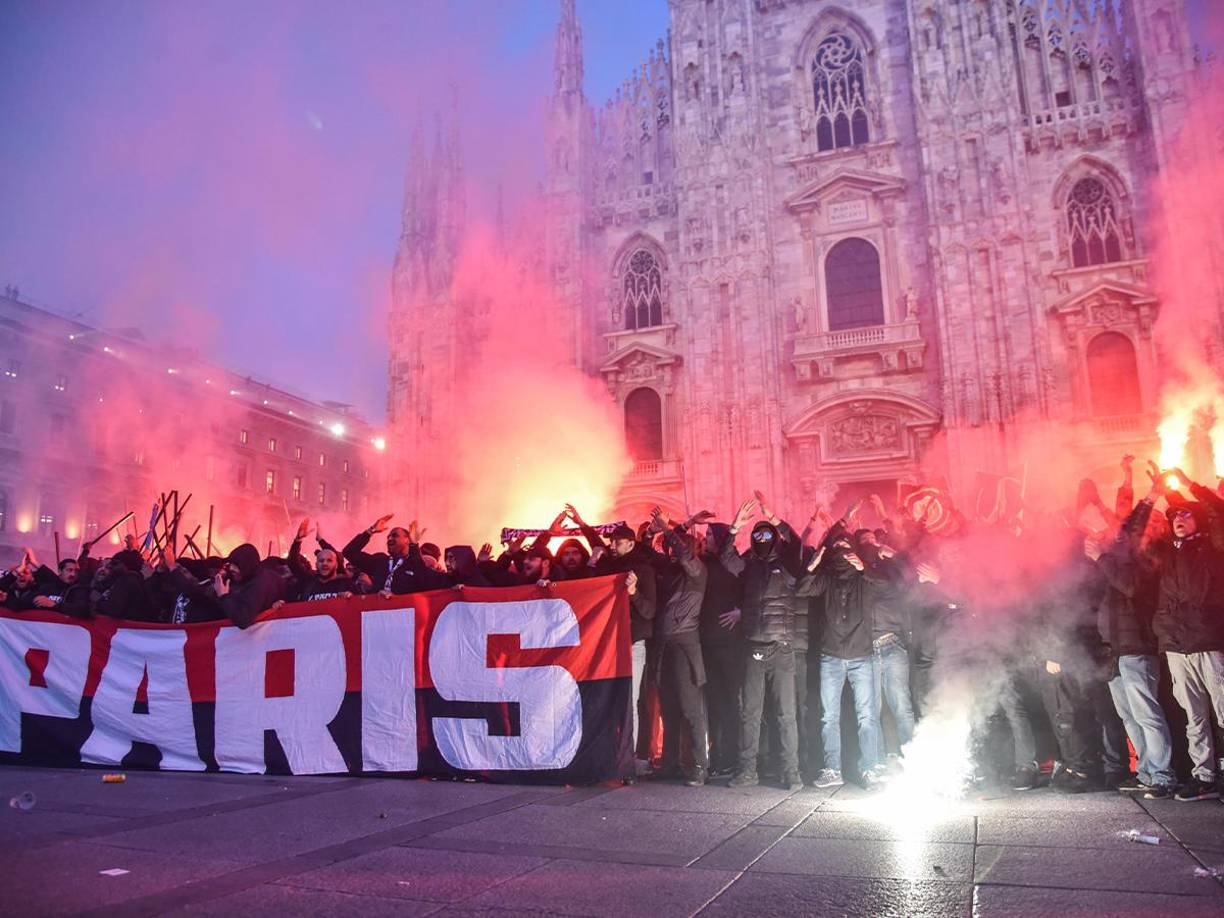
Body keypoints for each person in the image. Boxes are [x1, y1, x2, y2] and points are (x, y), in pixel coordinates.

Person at [1089, 464, 1178, 798]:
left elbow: (1129, 587)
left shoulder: (1140, 559)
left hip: (1137, 648)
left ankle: (1163, 775)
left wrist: (1153, 495)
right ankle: (1145, 771)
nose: (1114, 533)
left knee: (1147, 714)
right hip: (1114, 651)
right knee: (1130, 717)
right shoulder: (1112, 556)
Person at [719, 495, 810, 791]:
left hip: (782, 648)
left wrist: (774, 518)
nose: (761, 540)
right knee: (750, 713)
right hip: (753, 647)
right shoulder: (748, 565)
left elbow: (795, 543)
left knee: (786, 714)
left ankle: (791, 773)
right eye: (756, 535)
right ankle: (748, 771)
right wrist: (734, 528)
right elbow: (725, 558)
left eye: (766, 535)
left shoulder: (787, 564)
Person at [1150, 469, 1224, 802]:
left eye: (1185, 515)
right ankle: (1204, 776)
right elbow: (1130, 537)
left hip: (1208, 642)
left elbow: (1218, 510)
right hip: (1178, 647)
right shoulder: (1167, 551)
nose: (1178, 519)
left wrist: (1187, 482)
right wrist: (1158, 493)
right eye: (1175, 516)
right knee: (1194, 717)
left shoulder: (1213, 546)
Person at [807, 502, 886, 789]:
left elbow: (885, 585)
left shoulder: (865, 578)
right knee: (829, 718)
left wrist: (862, 566)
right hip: (831, 657)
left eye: (846, 548)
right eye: (837, 548)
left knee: (867, 716)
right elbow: (803, 589)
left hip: (862, 656)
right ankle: (832, 769)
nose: (843, 553)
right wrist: (814, 564)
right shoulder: (826, 579)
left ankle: (870, 768)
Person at [583, 510, 657, 778]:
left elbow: (650, 611)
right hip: (606, 644)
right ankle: (610, 754)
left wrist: (634, 594)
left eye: (616, 542)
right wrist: (591, 559)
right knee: (607, 700)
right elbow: (586, 590)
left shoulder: (644, 570)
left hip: (633, 643)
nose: (611, 545)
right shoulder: (606, 568)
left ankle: (628, 759)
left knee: (630, 700)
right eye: (610, 541)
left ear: (630, 543)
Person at [649, 508, 710, 786]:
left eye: (679, 546)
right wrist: (672, 527)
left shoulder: (698, 571)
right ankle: (670, 763)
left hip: (685, 645)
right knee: (669, 709)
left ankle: (699, 765)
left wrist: (669, 528)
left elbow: (685, 554)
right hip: (665, 644)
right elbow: (647, 552)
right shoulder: (670, 570)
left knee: (690, 709)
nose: (674, 550)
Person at [699, 521, 743, 778]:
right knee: (714, 703)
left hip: (731, 643)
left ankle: (734, 756)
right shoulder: (704, 564)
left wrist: (743, 612)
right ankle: (717, 757)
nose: (706, 539)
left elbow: (753, 590)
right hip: (708, 642)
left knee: (731, 702)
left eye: (710, 534)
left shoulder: (736, 564)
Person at [343, 514, 452, 595]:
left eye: (395, 536)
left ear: (407, 540)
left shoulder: (414, 565)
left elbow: (422, 574)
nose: (390, 538)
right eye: (388, 537)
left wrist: (414, 545)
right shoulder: (379, 561)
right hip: (377, 618)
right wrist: (370, 531)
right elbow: (349, 552)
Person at [287, 519, 357, 601]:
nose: (324, 563)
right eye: (321, 561)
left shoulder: (346, 584)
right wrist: (297, 540)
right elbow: (292, 563)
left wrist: (351, 598)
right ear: (316, 564)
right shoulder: (309, 582)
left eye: (329, 560)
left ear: (337, 564)